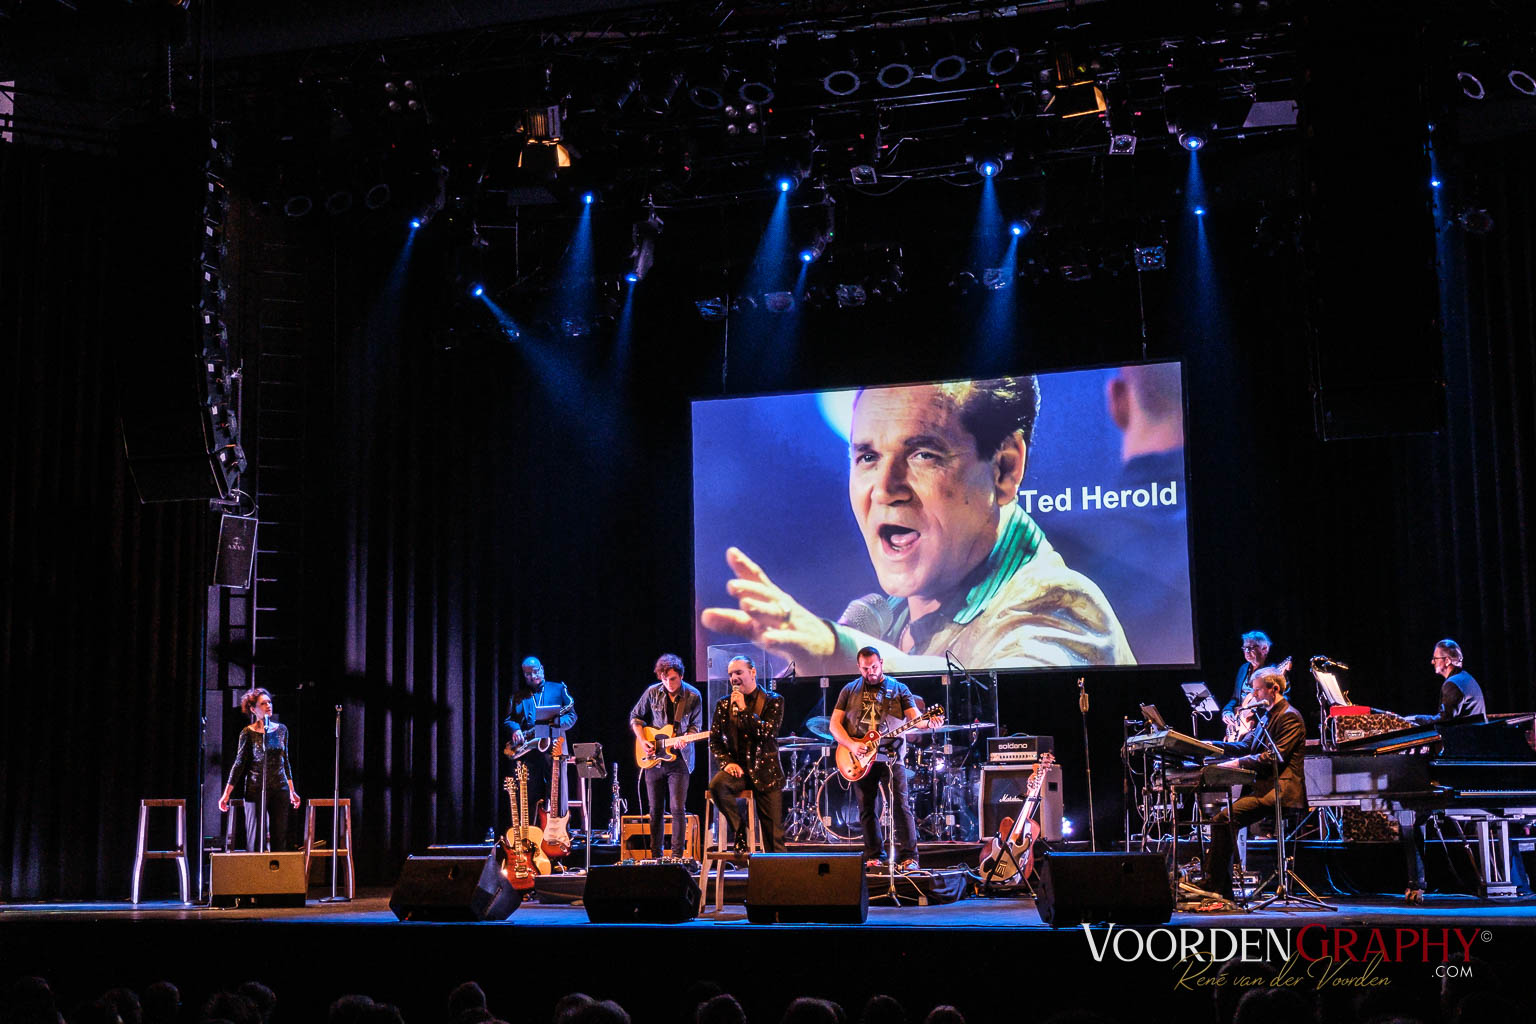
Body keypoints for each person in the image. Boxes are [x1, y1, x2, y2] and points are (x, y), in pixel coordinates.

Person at [701, 377, 1134, 675]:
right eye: (867, 457)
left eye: (923, 454)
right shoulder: (885, 617)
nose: (885, 489)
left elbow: (998, 704)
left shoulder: (1061, 606)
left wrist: (837, 651)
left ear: (1005, 468)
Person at [829, 647, 942, 871]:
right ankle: (874, 856)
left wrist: (929, 722)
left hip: (891, 758)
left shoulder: (899, 689)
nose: (870, 672)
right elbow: (834, 725)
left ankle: (909, 857)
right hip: (859, 758)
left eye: (874, 667)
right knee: (867, 808)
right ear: (858, 667)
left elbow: (916, 719)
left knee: (900, 806)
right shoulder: (849, 690)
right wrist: (852, 745)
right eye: (865, 668)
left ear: (881, 663)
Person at [1201, 665, 1307, 901]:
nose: (1253, 695)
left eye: (1257, 690)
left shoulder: (1289, 716)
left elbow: (1273, 757)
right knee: (1223, 821)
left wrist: (1236, 764)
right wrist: (1211, 746)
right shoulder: (1267, 716)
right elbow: (1246, 746)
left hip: (1280, 790)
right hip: (1263, 788)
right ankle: (1218, 886)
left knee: (1224, 820)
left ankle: (1215, 886)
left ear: (1274, 689)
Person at [1402, 638, 1488, 903]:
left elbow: (1444, 723)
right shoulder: (1467, 680)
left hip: (1459, 769)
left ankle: (1416, 884)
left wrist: (1415, 720)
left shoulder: (1452, 684)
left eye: (1436, 658)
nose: (1432, 662)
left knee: (1412, 816)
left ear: (1447, 661)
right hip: (1473, 762)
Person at [629, 653, 704, 860]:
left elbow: (696, 726)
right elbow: (635, 717)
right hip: (654, 758)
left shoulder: (693, 695)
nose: (669, 684)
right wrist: (642, 740)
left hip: (680, 759)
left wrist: (686, 738)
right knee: (655, 810)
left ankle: (677, 856)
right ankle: (656, 857)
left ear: (681, 676)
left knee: (677, 808)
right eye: (664, 679)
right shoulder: (652, 692)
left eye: (672, 679)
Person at [707, 656, 786, 854]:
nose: (733, 678)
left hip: (765, 772)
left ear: (753, 672)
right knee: (717, 785)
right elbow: (714, 740)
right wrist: (726, 763)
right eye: (730, 674)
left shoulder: (773, 700)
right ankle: (740, 830)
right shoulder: (724, 705)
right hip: (739, 771)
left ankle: (778, 870)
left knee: (774, 839)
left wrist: (744, 710)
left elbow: (766, 733)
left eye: (738, 672)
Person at [218, 688, 301, 852]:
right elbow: (239, 764)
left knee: (280, 839)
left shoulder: (282, 730)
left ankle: (276, 868)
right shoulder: (247, 733)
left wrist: (292, 791)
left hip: (280, 788)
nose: (268, 705)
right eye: (263, 703)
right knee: (256, 839)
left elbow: (285, 762)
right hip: (256, 788)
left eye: (269, 702)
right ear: (253, 709)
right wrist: (226, 794)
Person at [503, 656, 578, 814]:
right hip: (531, 751)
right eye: (528, 674)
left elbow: (572, 716)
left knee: (558, 796)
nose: (533, 676)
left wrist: (554, 723)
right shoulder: (518, 696)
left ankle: (559, 828)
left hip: (556, 748)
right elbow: (509, 720)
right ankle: (532, 828)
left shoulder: (558, 688)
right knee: (530, 796)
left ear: (542, 669)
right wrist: (515, 729)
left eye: (535, 671)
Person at [1222, 631, 1276, 738]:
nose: (1246, 651)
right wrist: (1227, 711)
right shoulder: (1243, 669)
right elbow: (1235, 699)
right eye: (1244, 648)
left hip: (1260, 725)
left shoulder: (1273, 672)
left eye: (1251, 648)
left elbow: (1282, 701)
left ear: (1264, 648)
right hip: (1240, 723)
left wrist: (1254, 711)